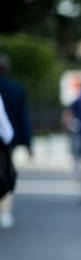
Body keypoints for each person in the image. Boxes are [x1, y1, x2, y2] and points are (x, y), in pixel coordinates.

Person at [0, 53, 31, 228]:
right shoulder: (16, 90)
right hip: (4, 145)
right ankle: (4, 213)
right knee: (4, 175)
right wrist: (28, 144)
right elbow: (16, 124)